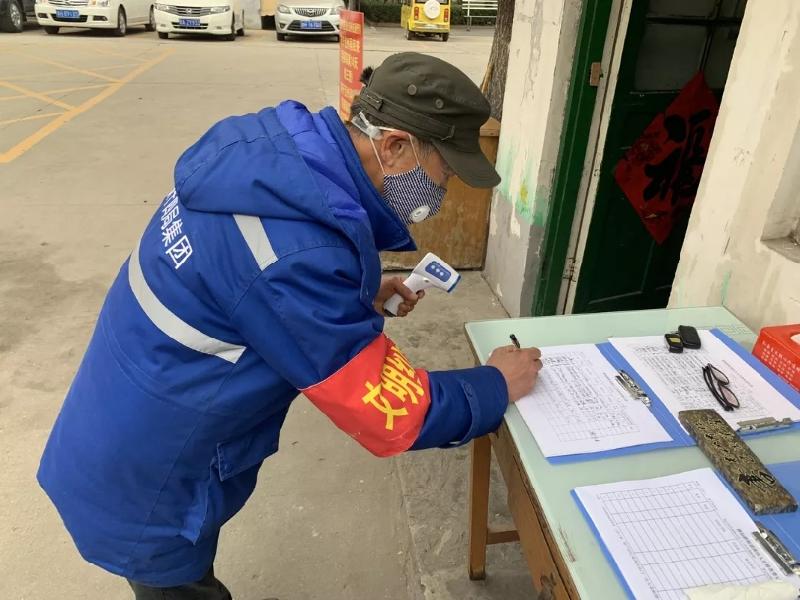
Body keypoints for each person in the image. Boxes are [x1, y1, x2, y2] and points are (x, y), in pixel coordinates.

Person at [37, 52, 542, 600]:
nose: (444, 189)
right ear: (396, 146)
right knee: (180, 589)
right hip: (151, 481)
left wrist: (352, 293)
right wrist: (494, 384)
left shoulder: (272, 155)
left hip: (118, 416)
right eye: (445, 171)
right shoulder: (296, 256)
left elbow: (245, 284)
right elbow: (390, 413)